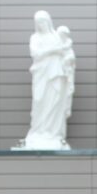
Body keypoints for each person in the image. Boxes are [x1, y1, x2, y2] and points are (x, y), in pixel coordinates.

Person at [23, 10, 73, 150]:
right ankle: (39, 132)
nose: (41, 25)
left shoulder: (56, 36)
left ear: (48, 22)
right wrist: (53, 50)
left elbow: (67, 53)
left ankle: (53, 133)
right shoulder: (35, 37)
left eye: (43, 21)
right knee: (39, 101)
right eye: (38, 22)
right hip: (41, 74)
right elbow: (35, 53)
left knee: (55, 102)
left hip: (56, 74)